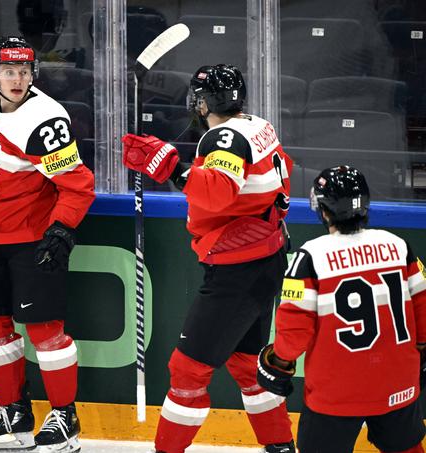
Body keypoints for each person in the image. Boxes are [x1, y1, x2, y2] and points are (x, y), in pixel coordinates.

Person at [121, 64, 296, 453]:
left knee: (188, 371)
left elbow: (217, 193)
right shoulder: (257, 125)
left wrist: (170, 168)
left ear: (201, 103)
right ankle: (280, 446)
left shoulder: (224, 138)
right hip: (263, 259)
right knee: (247, 365)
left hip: (238, 269)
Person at [0, 36, 95, 453]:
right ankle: (14, 412)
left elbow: (78, 186)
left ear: (32, 74)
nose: (16, 79)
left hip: (30, 239)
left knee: (45, 332)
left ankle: (64, 417)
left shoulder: (45, 121)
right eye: (8, 71)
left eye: (23, 72)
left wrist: (61, 230)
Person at [257, 166, 426, 453]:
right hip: (399, 385)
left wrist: (279, 362)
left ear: (323, 210)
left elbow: (294, 329)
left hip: (336, 393)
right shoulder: (399, 246)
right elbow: (422, 308)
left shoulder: (310, 256)